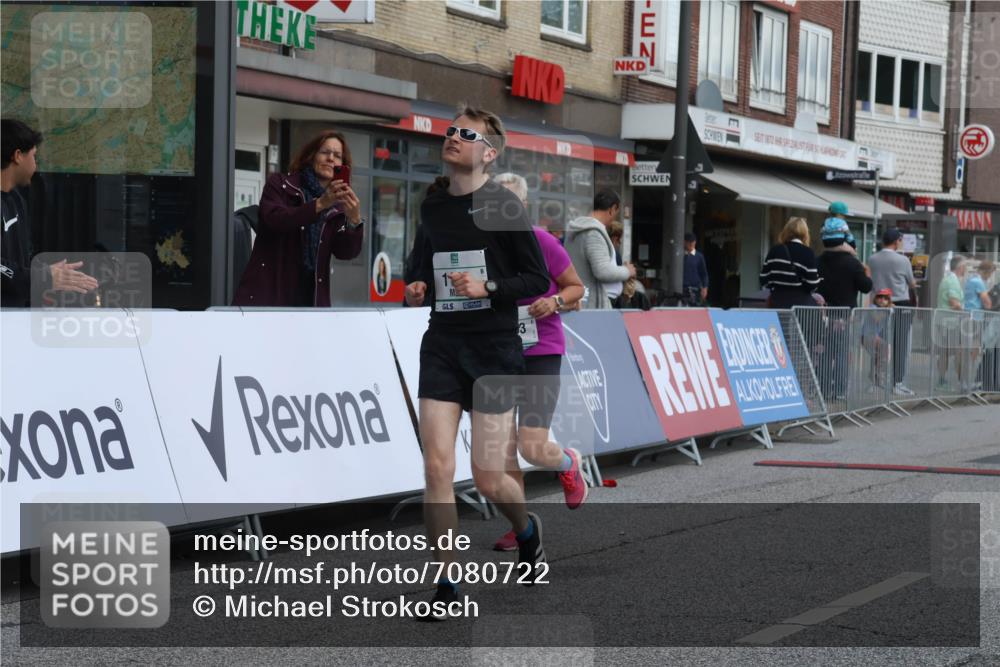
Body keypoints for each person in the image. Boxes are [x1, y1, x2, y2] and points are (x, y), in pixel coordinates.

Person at [403, 105, 553, 619]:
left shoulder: (505, 207)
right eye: (450, 130)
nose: (454, 138)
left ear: (488, 152)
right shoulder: (433, 206)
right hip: (443, 343)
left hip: (493, 348)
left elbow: (536, 281)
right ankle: (447, 588)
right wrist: (418, 286)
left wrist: (487, 286)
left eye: (466, 134)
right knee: (436, 467)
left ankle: (527, 530)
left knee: (488, 479)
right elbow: (418, 269)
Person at [492, 172, 587, 552]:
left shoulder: (542, 242)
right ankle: (520, 523)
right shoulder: (483, 249)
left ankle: (567, 462)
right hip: (497, 351)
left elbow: (577, 287)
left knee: (531, 445)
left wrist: (555, 302)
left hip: (542, 349)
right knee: (502, 447)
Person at [233, 130, 364, 307]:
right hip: (269, 295)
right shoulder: (280, 184)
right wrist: (319, 204)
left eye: (337, 156)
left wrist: (354, 221)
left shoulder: (337, 207)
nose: (331, 159)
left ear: (343, 165)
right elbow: (274, 220)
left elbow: (345, 252)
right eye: (325, 152)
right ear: (311, 156)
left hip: (310, 301)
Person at [1, 119, 98, 307]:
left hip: (14, 321)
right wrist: (41, 277)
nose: (36, 165)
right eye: (34, 156)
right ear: (18, 156)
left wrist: (47, 281)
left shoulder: (16, 200)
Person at [817, 217, 872, 399]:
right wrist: (866, 273)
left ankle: (823, 389)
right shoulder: (852, 263)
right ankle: (839, 390)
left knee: (824, 352)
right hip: (844, 316)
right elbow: (866, 286)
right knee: (841, 353)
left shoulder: (818, 261)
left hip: (821, 315)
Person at [564, 189, 636, 309]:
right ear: (612, 209)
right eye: (616, 213)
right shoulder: (593, 233)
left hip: (581, 301)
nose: (614, 219)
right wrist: (627, 271)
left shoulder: (578, 230)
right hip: (592, 306)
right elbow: (603, 271)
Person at [867, 228, 918, 395]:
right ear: (897, 241)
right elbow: (911, 283)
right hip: (900, 303)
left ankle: (875, 381)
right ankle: (897, 383)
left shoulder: (872, 258)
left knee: (879, 344)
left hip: (879, 303)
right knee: (900, 344)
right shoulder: (903, 260)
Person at [759, 217, 821, 308]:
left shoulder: (775, 250)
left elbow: (763, 279)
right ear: (805, 234)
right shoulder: (808, 253)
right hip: (800, 307)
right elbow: (812, 284)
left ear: (786, 231)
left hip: (777, 303)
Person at [936, 255, 966, 390]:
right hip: (950, 323)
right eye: (965, 266)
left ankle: (942, 381)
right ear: (960, 267)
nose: (966, 269)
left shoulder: (947, 279)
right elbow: (954, 303)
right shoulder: (953, 281)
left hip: (944, 321)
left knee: (945, 353)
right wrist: (965, 310)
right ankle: (961, 383)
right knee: (958, 351)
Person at [861, 289, 894, 391]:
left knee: (878, 356)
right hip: (867, 336)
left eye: (885, 298)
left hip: (875, 336)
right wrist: (888, 310)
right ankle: (876, 379)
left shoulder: (887, 309)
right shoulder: (873, 307)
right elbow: (876, 318)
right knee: (883, 350)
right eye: (880, 297)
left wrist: (889, 309)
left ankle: (875, 380)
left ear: (889, 300)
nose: (882, 300)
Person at [682, 232, 709, 306]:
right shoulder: (681, 255)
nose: (691, 246)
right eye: (689, 244)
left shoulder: (699, 256)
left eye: (693, 243)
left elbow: (704, 274)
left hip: (695, 289)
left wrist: (705, 287)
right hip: (683, 289)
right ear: (685, 243)